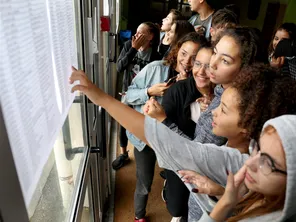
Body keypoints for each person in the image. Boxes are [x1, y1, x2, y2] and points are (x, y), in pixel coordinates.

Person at [70, 64, 296, 221]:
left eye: (267, 161)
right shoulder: (241, 163)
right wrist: (223, 196)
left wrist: (100, 98)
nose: (251, 163)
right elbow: (174, 144)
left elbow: (171, 143)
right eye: (257, 150)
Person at [120, 33, 207, 222]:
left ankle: (171, 197)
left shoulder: (200, 81)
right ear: (176, 51)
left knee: (174, 179)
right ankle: (139, 216)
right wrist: (149, 91)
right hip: (146, 139)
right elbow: (125, 96)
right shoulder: (155, 69)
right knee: (144, 182)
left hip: (174, 143)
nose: (187, 61)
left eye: (195, 58)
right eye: (184, 53)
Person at [149, 44, 214, 221]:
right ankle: (168, 187)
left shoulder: (223, 98)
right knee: (176, 208)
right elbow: (162, 132)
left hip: (207, 162)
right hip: (179, 159)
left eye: (208, 66)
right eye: (198, 63)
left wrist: (210, 113)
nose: (201, 71)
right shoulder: (178, 90)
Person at [196, 115, 296, 222]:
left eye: (267, 162)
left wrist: (223, 205)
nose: (248, 162)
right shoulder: (263, 197)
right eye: (258, 149)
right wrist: (225, 198)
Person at [112, 22, 161, 170]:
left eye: (141, 33)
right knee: (123, 122)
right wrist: (133, 49)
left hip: (144, 95)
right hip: (127, 92)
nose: (136, 36)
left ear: (151, 36)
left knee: (142, 121)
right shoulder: (128, 46)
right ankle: (123, 153)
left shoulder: (155, 55)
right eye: (136, 32)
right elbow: (120, 67)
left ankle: (146, 150)